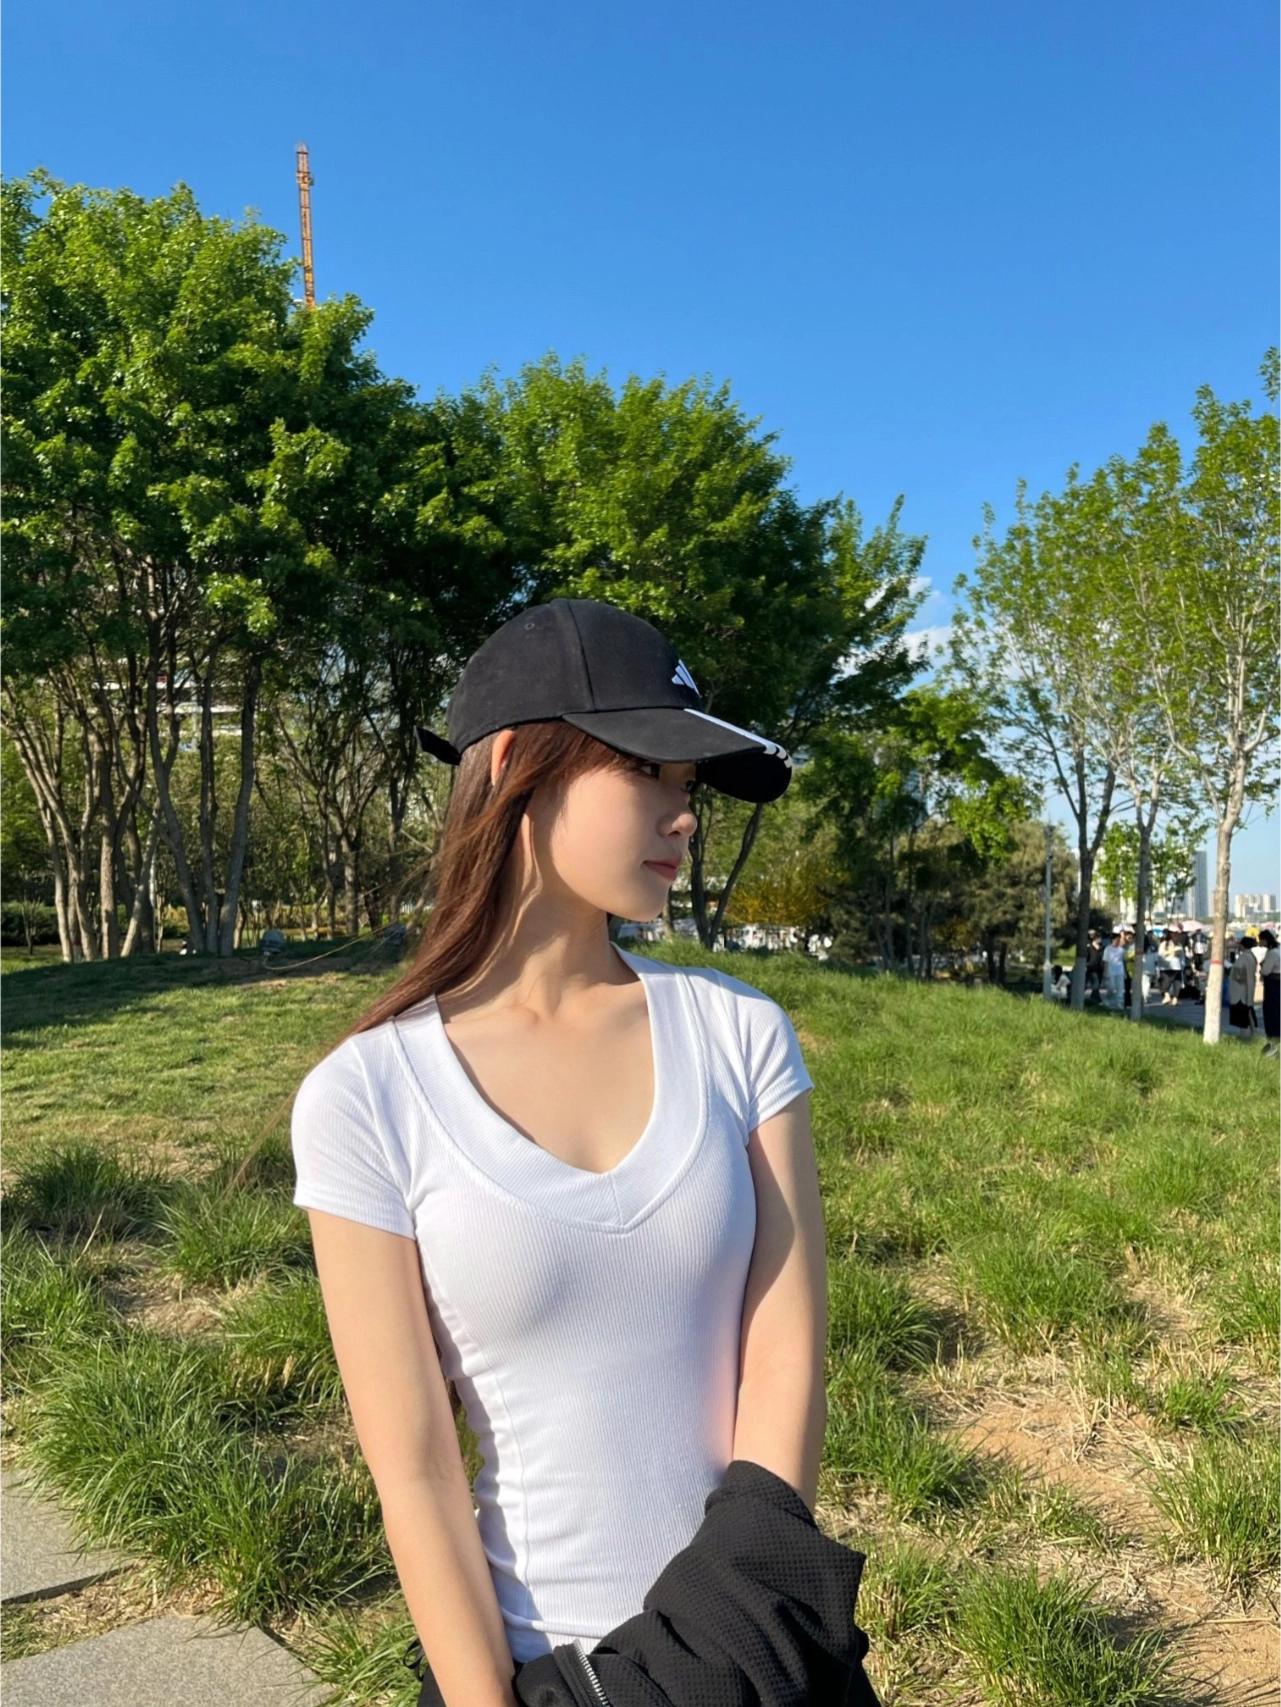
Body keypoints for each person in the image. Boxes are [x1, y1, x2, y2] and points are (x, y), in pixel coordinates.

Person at [289, 600, 836, 1707]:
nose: (685, 816)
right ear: (511, 768)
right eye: (648, 770)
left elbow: (786, 1354)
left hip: (755, 1651)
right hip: (544, 1675)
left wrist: (724, 1643)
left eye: (691, 786)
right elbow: (416, 1469)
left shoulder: (738, 1033)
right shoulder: (369, 1096)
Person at [1227, 935, 1258, 1038]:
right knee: (1249, 1012)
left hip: (1239, 991)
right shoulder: (1252, 957)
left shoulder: (1243, 957)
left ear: (1243, 945)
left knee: (1241, 1017)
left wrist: (1237, 977)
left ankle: (1245, 1036)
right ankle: (1254, 1034)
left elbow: (1238, 973)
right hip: (1249, 988)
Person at [1257, 929, 1281, 1057]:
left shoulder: (1272, 953)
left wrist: (1262, 967)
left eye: (1261, 940)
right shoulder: (1278, 950)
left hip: (1273, 983)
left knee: (1271, 1010)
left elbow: (1266, 971)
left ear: (1265, 940)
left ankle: (1273, 1035)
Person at [1102, 932, 1126, 1010]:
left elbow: (1123, 960)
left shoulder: (1121, 949)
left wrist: (1125, 972)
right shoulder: (1107, 949)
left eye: (1119, 940)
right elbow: (1106, 961)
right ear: (1112, 940)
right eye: (1117, 940)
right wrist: (1105, 971)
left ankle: (1119, 1003)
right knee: (1111, 986)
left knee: (1120, 987)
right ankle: (1108, 999)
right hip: (1111, 970)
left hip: (1120, 970)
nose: (1118, 941)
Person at [1083, 930, 1104, 1002]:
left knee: (1097, 985)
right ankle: (1097, 999)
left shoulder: (1102, 948)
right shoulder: (1089, 947)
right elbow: (1086, 957)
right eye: (1098, 938)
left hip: (1100, 968)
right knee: (1095, 984)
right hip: (1091, 968)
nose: (1099, 939)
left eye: (1100, 937)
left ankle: (1093, 998)